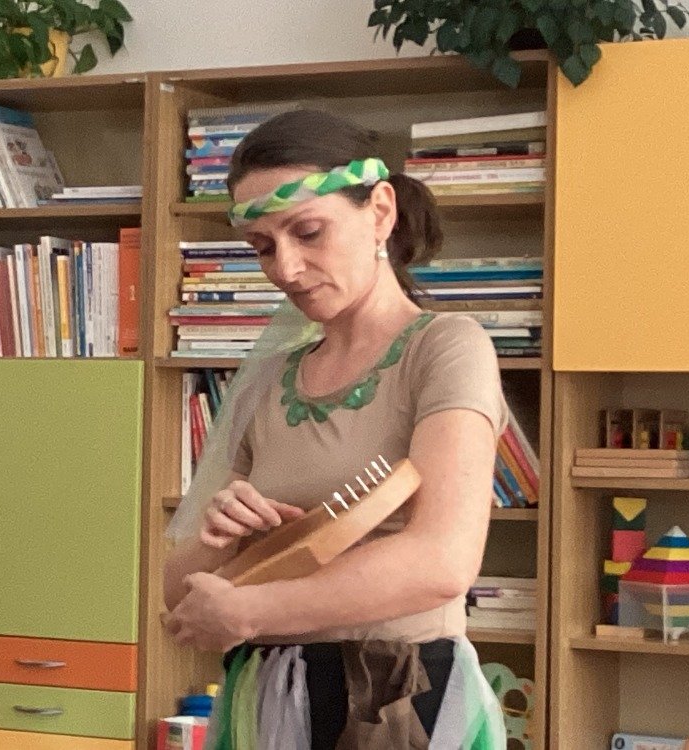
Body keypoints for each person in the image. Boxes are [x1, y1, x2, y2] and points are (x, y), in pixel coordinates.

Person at [163, 109, 509, 749]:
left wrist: (251, 610)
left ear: (380, 212)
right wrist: (218, 536)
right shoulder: (268, 379)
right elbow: (180, 596)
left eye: (308, 232)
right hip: (268, 694)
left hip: (394, 694)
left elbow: (443, 560)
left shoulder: (445, 348)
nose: (285, 269)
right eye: (263, 247)